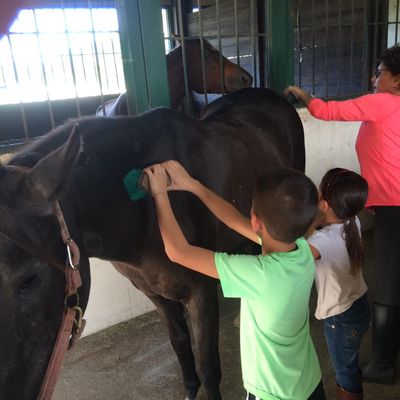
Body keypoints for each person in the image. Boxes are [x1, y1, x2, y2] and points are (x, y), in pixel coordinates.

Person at [143, 160, 325, 400]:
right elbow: (234, 220)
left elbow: (178, 251)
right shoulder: (301, 250)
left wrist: (159, 193)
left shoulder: (259, 274)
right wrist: (193, 185)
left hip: (272, 393)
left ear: (256, 221)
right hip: (309, 381)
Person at [285, 44, 400, 384]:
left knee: (388, 285)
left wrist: (305, 97)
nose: (374, 78)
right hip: (392, 202)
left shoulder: (384, 102)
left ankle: (383, 364)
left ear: (396, 79)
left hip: (395, 206)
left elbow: (329, 111)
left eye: (379, 73)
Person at [306, 168, 370, 400]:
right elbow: (326, 226)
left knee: (345, 373)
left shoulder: (319, 242)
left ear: (323, 204)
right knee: (349, 363)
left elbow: (295, 256)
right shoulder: (353, 221)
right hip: (360, 306)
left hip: (340, 318)